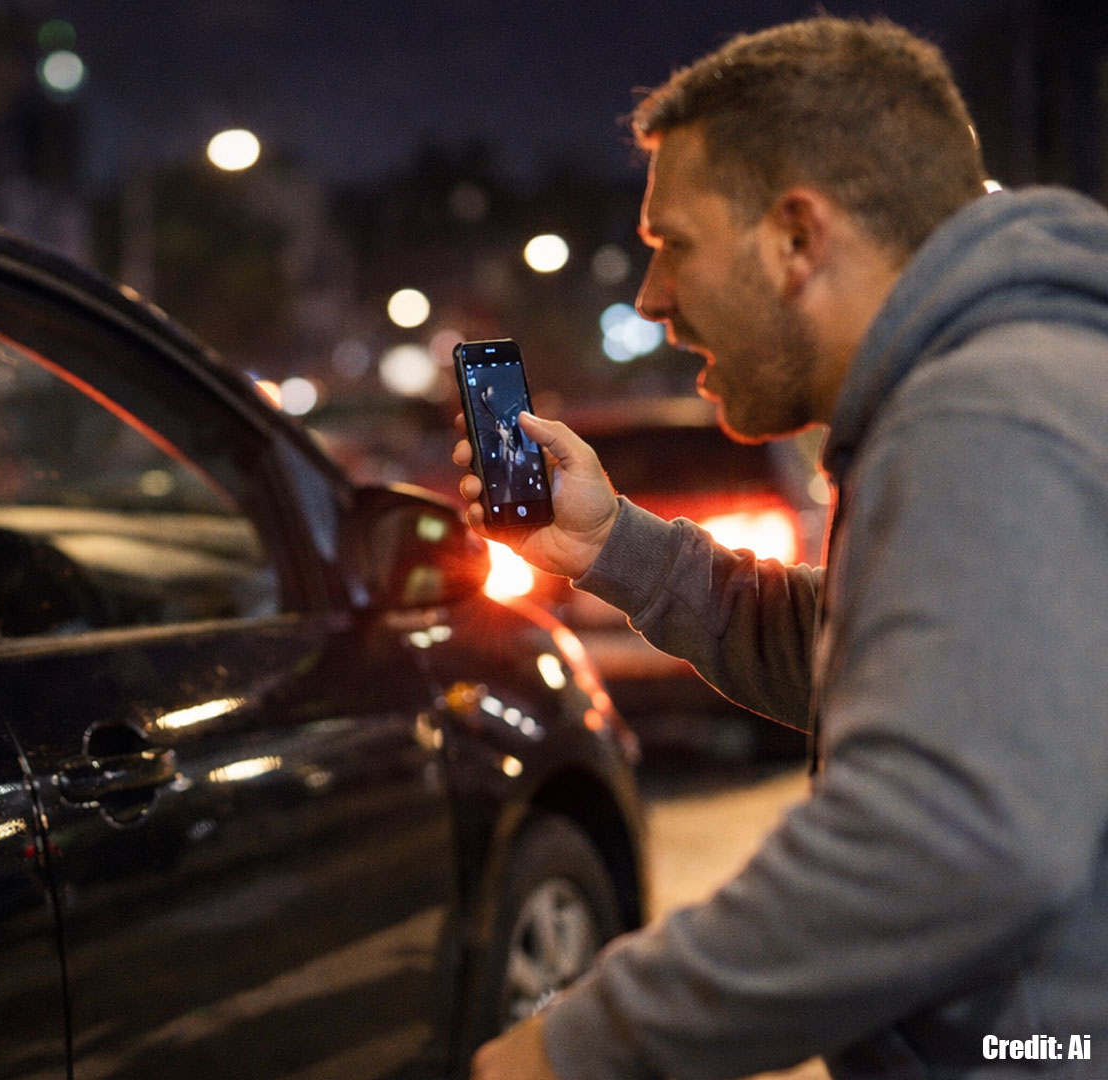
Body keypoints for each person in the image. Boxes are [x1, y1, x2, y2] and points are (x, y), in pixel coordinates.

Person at [462, 17, 1108, 1080]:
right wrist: (614, 543)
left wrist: (578, 1047)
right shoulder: (1011, 380)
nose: (652, 299)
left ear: (797, 238)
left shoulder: (983, 416)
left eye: (674, 243)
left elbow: (944, 845)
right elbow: (872, 660)